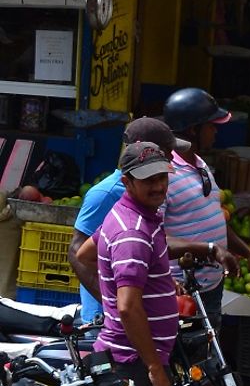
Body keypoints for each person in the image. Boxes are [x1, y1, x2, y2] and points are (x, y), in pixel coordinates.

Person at [91, 144, 183, 386]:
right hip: (133, 363)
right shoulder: (133, 232)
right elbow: (129, 307)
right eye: (148, 180)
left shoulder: (126, 215)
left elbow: (90, 254)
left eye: (162, 177)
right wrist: (155, 368)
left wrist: (157, 283)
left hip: (126, 355)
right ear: (127, 182)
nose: (158, 185)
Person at [70, 116, 191, 325]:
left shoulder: (149, 195)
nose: (173, 158)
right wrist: (114, 305)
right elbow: (78, 254)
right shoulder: (105, 194)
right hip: (110, 317)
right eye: (167, 153)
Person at [161, 87, 250, 325]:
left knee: (208, 357)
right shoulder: (164, 175)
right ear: (193, 130)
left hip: (210, 286)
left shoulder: (200, 164)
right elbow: (153, 238)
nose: (215, 131)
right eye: (210, 125)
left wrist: (248, 253)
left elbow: (213, 218)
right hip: (180, 292)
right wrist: (210, 248)